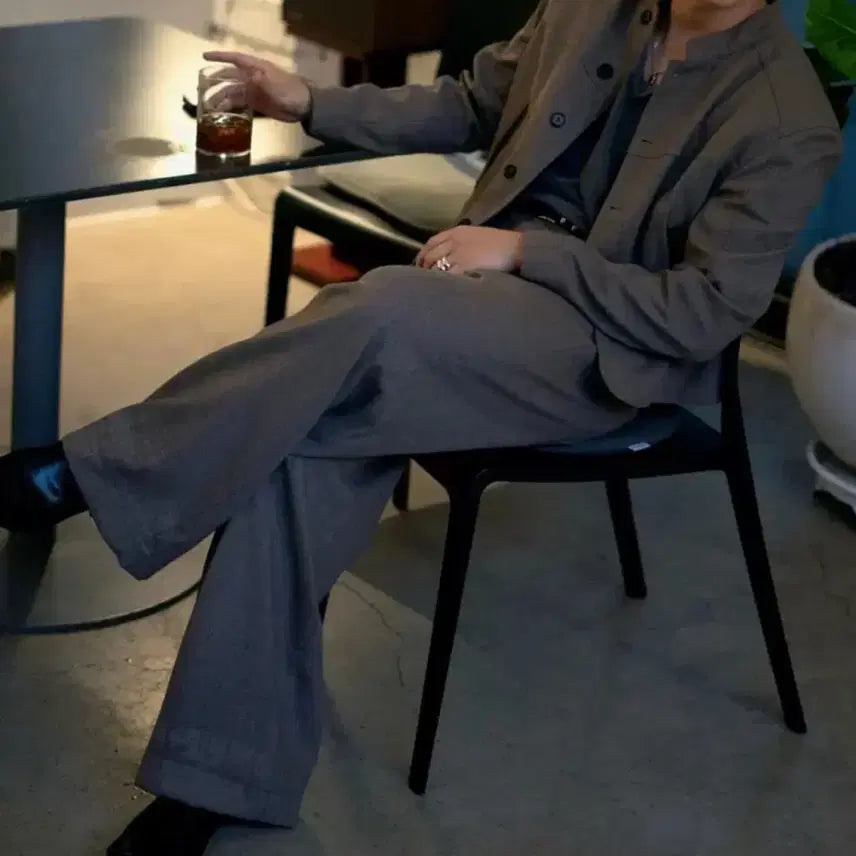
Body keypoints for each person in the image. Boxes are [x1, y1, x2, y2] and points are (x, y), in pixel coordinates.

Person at [0, 1, 843, 853]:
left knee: (382, 312)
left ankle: (87, 473)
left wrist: (524, 253)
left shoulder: (786, 117)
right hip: (476, 296)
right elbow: (473, 102)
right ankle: (209, 782)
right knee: (304, 430)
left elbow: (702, 313)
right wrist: (308, 102)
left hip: (600, 346)